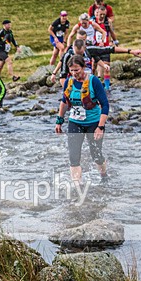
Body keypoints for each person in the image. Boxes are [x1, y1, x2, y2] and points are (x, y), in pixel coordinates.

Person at [55, 54, 110, 186]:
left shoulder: (94, 81)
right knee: (74, 157)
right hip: (75, 122)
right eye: (72, 70)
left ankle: (104, 176)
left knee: (96, 155)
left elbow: (105, 105)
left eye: (77, 70)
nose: (74, 73)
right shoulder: (68, 82)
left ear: (83, 67)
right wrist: (59, 120)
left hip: (94, 123)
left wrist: (100, 127)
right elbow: (64, 102)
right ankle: (77, 187)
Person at [52, 38, 141, 88]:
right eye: (77, 54)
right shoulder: (67, 55)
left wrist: (130, 51)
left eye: (81, 54)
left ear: (84, 48)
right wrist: (69, 91)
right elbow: (62, 77)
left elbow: (110, 49)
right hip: (74, 84)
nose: (79, 56)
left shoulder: (90, 50)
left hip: (89, 83)